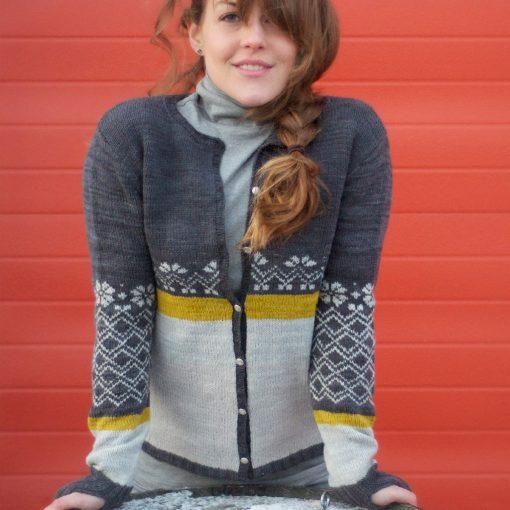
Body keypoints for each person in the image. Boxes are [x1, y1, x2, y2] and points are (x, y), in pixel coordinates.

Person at [44, 1, 419, 509]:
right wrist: (108, 471)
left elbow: (345, 310)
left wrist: (354, 469)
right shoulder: (134, 134)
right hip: (157, 471)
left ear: (306, 39)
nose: (254, 38)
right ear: (195, 33)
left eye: (277, 21)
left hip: (314, 471)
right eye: (231, 18)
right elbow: (122, 313)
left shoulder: (349, 133)